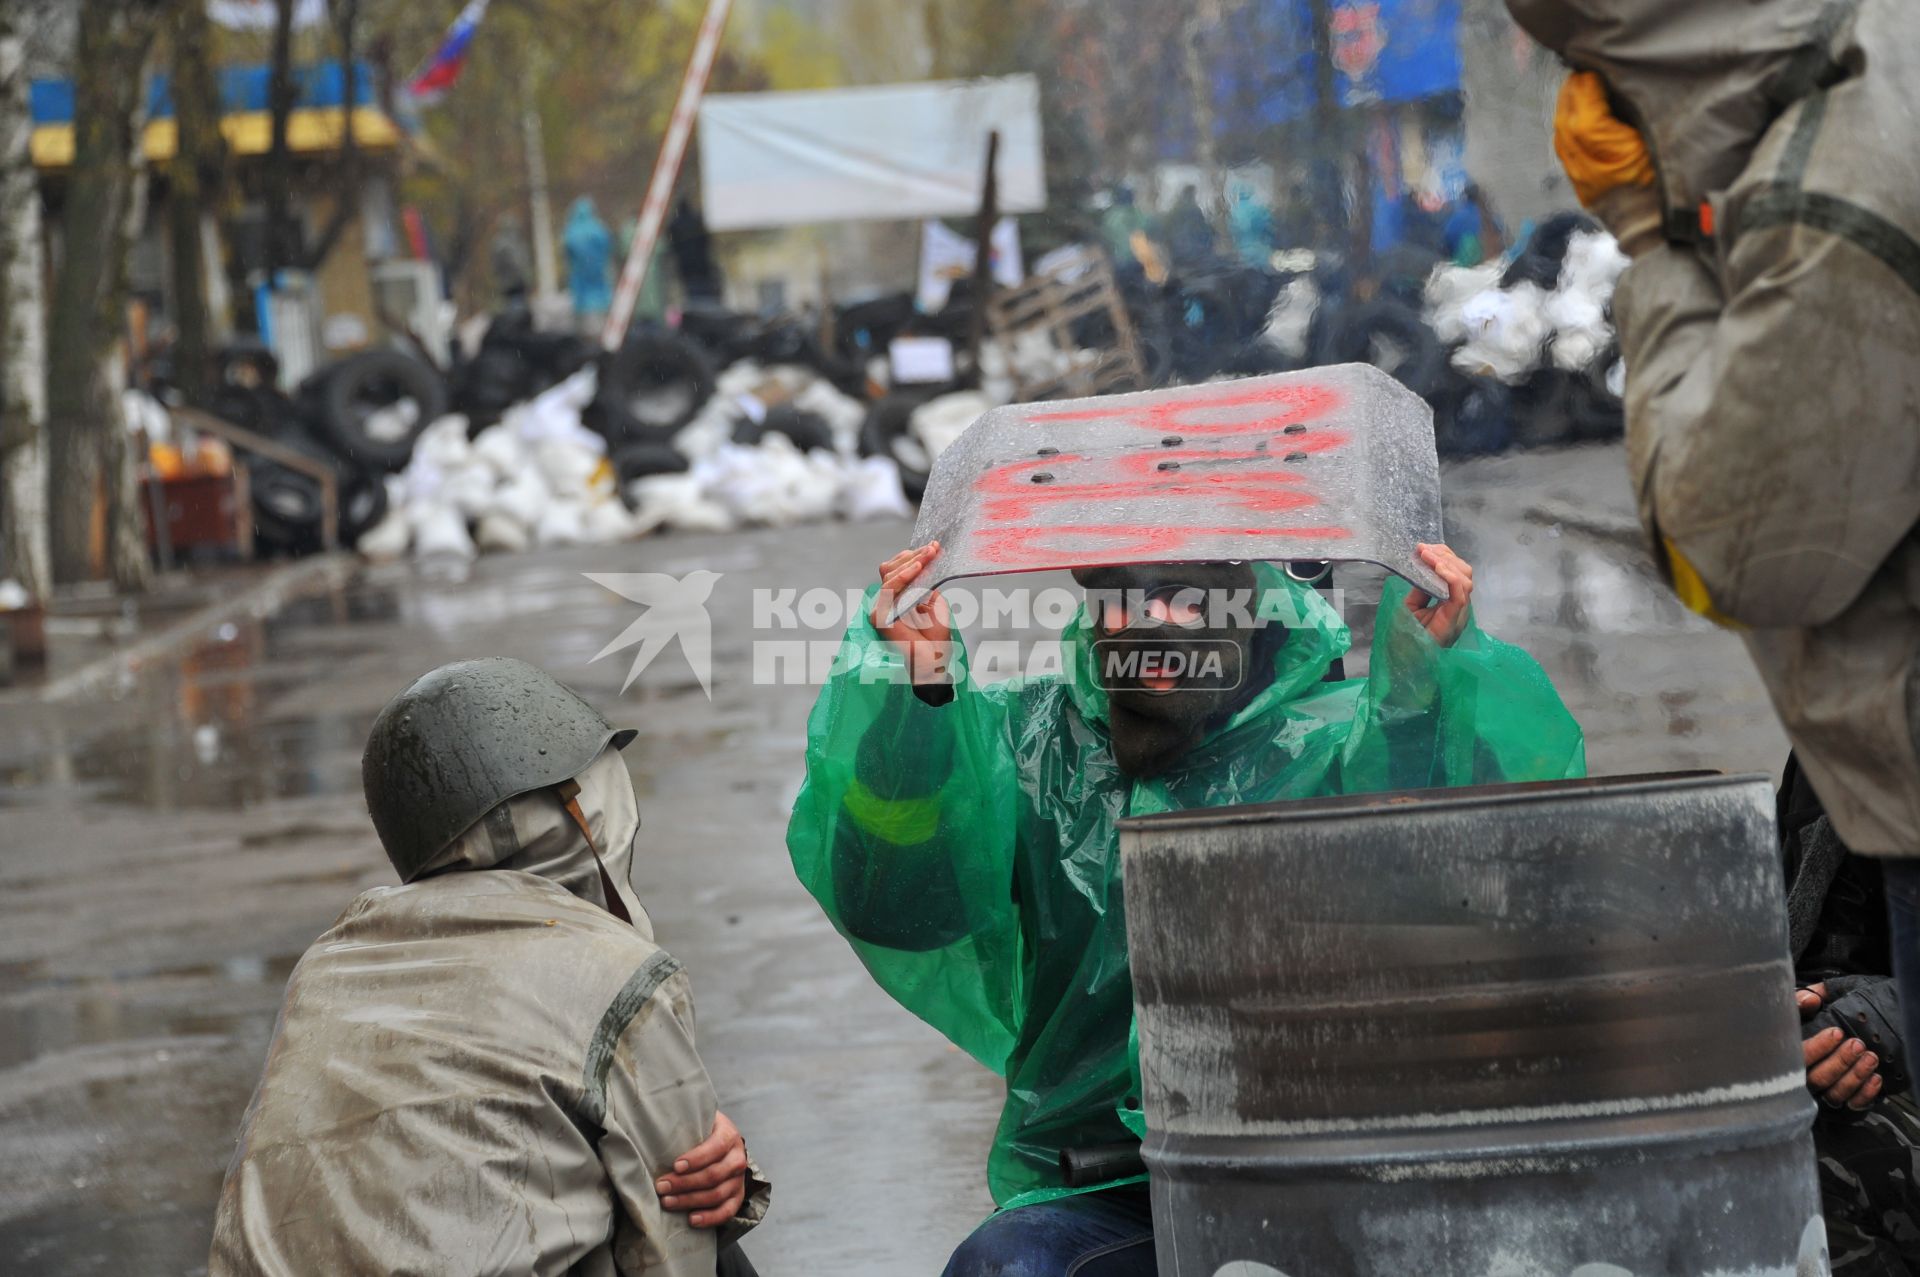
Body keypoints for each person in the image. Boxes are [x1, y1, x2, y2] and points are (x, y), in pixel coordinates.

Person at [787, 544, 1585, 1274]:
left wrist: (1416, 700)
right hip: (1106, 1184)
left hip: (1338, 1171)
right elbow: (903, 908)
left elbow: (1473, 897)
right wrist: (920, 704)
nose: (1153, 623)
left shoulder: (1333, 743)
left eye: (1183, 596)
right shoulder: (1030, 742)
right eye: (1124, 600)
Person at [1512, 0, 1920, 1047]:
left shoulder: (1829, 190)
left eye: (1587, 61)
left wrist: (1657, 247)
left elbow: (1728, 548)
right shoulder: (1873, 68)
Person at [210, 658, 767, 1276]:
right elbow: (675, 1239)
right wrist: (712, 1167)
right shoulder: (617, 973)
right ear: (588, 812)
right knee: (711, 1234)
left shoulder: (328, 962)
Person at [1782, 752, 1920, 1274]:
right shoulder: (1830, 740)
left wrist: (1886, 1021)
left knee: (1801, 1179)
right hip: (1872, 1069)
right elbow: (1808, 946)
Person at [564, 196, 615, 333]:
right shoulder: (598, 228)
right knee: (601, 310)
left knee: (583, 315)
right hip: (599, 280)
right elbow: (608, 247)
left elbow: (568, 252)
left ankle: (586, 337)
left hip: (581, 284)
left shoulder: (572, 231)